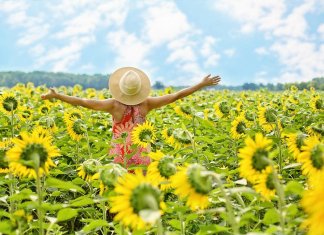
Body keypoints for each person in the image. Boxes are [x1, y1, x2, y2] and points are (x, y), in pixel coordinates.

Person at [41, 67, 221, 169]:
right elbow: (176, 95)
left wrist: (58, 96)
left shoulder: (114, 105)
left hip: (121, 157)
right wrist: (201, 84)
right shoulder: (147, 104)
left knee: (121, 193)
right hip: (142, 155)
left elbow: (83, 101)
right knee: (141, 194)